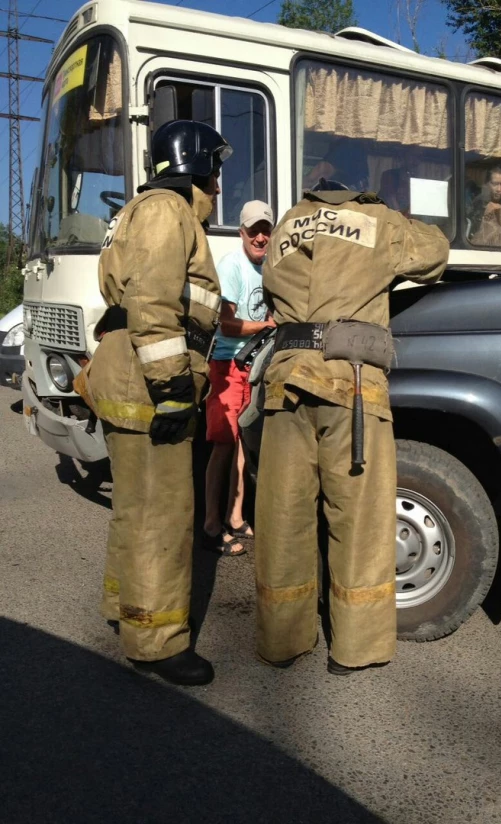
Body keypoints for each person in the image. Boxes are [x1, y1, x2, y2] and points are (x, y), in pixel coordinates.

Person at [254, 179, 449, 675]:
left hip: (285, 380)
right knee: (358, 518)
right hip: (351, 383)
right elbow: (436, 252)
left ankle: (283, 639)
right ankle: (356, 647)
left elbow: (272, 293)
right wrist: (389, 211)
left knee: (284, 516)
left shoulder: (285, 227)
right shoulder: (376, 222)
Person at [85, 120, 232, 686]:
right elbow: (152, 306)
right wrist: (173, 391)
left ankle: (124, 607)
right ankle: (156, 639)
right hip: (150, 384)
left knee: (134, 507)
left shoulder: (140, 210)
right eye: (216, 172)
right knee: (163, 516)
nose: (218, 187)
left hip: (127, 376)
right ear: (197, 165)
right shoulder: (168, 212)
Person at [204, 201, 276, 556]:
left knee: (242, 446)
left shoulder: (271, 268)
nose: (260, 237)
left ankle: (235, 517)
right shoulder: (232, 266)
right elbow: (226, 323)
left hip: (254, 365)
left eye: (266, 230)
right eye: (254, 231)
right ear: (242, 233)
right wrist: (265, 325)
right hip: (228, 365)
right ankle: (211, 525)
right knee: (223, 445)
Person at [467, 164, 501, 247]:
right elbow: (469, 230)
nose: (499, 189)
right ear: (487, 183)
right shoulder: (478, 201)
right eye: (494, 184)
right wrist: (484, 215)